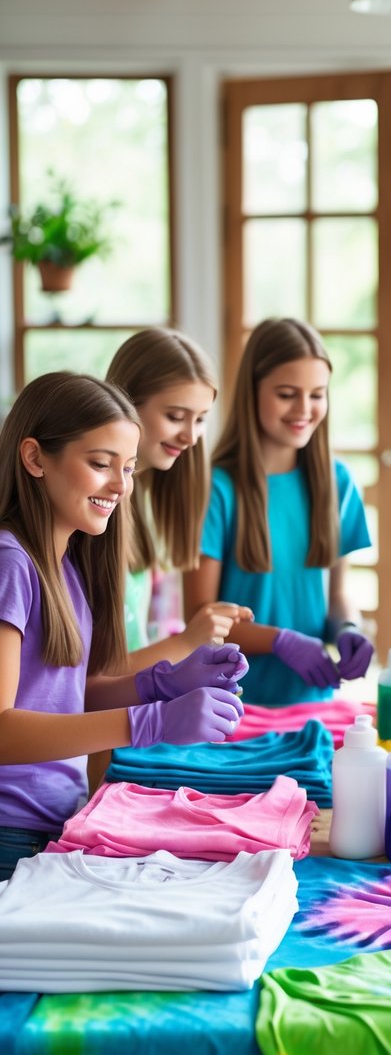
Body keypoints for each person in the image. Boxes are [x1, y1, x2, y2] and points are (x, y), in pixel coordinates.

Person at [0, 372, 246, 881]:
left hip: (55, 824)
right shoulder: (10, 563)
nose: (120, 485)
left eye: (128, 468)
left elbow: (64, 698)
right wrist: (149, 722)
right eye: (100, 464)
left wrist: (160, 684)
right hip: (10, 835)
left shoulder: (65, 564)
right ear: (34, 458)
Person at [183, 317, 373, 706]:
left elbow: (337, 596)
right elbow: (200, 618)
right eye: (287, 394)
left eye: (317, 394)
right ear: (252, 393)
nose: (304, 408)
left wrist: (350, 627)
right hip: (231, 706)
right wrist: (279, 641)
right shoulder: (216, 488)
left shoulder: (337, 482)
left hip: (314, 705)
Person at [106, 327, 252, 666]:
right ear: (126, 404)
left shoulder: (142, 500)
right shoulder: (95, 510)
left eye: (200, 419)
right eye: (175, 416)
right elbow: (88, 678)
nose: (190, 436)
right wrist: (187, 643)